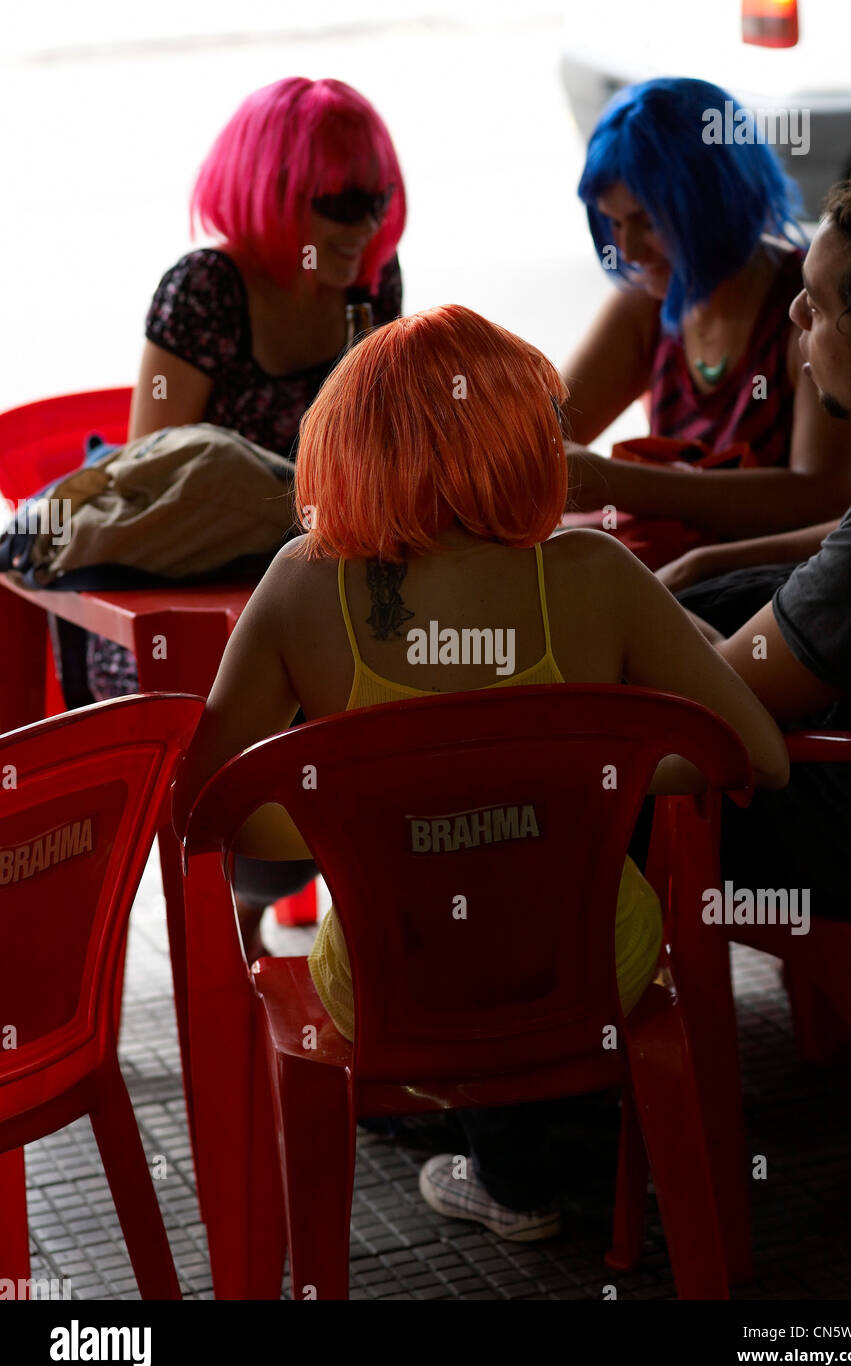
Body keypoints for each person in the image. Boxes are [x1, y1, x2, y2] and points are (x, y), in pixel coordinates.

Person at [172, 303, 789, 1239]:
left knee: (387, 993)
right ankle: (558, 1140)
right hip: (597, 965)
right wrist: (581, 784)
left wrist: (382, 820)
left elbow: (205, 811)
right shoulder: (595, 571)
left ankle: (494, 1153)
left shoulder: (301, 583)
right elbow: (761, 756)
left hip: (388, 984)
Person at [83, 75, 406, 702]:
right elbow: (154, 485)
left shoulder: (370, 281)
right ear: (274, 190)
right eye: (341, 204)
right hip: (195, 602)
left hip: (317, 585)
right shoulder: (206, 290)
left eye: (379, 200)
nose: (365, 227)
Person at [702, 170, 851, 921]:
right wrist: (706, 563)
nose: (794, 312)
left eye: (818, 307)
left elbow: (713, 698)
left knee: (613, 777)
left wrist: (620, 599)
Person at [561, 77, 851, 591]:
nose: (628, 250)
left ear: (713, 201)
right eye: (613, 224)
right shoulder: (649, 302)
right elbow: (542, 430)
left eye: (645, 222)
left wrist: (617, 483)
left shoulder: (807, 311)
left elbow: (824, 497)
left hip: (789, 590)